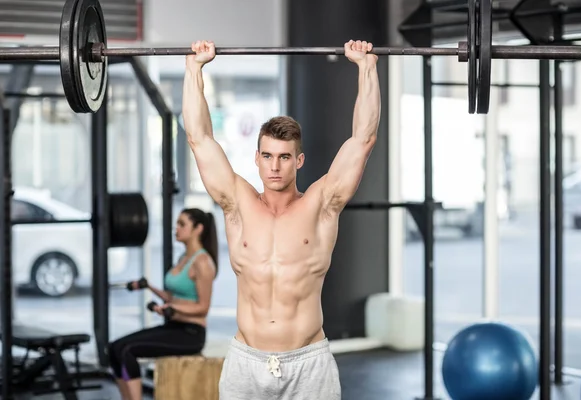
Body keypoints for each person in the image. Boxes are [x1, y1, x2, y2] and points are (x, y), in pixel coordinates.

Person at [183, 38, 380, 400]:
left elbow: (362, 139)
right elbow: (199, 138)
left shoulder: (321, 205)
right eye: (268, 156)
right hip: (246, 362)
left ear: (299, 161)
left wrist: (366, 68)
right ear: (256, 158)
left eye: (285, 157)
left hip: (309, 364)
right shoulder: (237, 204)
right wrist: (194, 69)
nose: (275, 166)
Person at [107, 208, 219, 400]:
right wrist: (149, 287)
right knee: (114, 348)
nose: (176, 228)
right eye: (176, 224)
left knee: (127, 351)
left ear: (198, 229)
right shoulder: (183, 259)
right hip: (173, 327)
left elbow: (203, 307)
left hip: (191, 334)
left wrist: (173, 308)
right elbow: (172, 297)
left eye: (182, 224)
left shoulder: (202, 262)